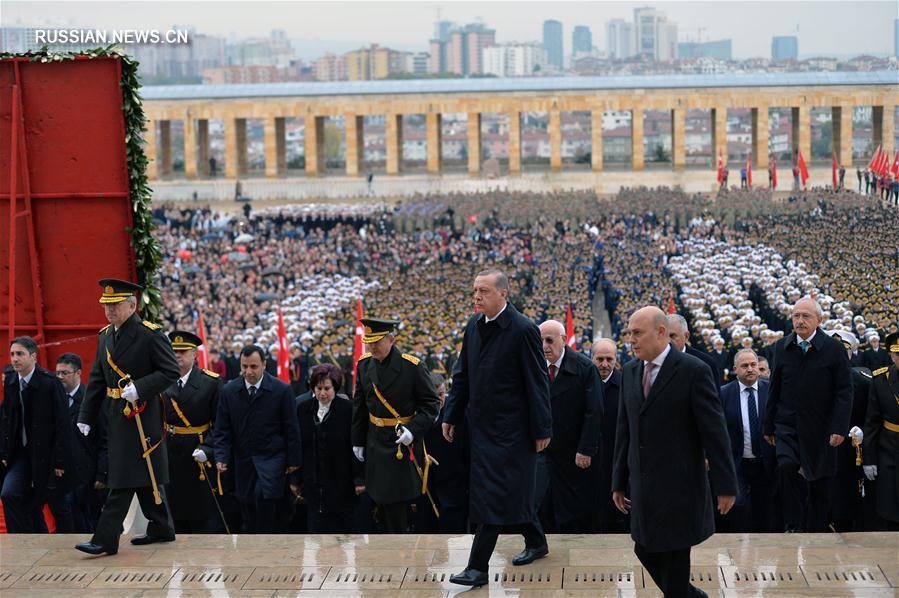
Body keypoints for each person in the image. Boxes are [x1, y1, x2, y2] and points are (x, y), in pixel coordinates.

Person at [612, 307, 736, 598]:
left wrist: (725, 485)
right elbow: (624, 430)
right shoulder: (630, 371)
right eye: (629, 333)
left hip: (681, 488)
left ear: (660, 332)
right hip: (643, 487)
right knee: (644, 549)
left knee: (676, 566)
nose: (631, 339)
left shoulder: (693, 370)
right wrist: (618, 480)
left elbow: (714, 433)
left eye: (637, 333)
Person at [444, 269, 552, 588]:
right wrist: (451, 414)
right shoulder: (474, 326)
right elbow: (461, 374)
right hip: (481, 427)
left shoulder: (523, 329)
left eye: (484, 291)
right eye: (475, 290)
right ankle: (537, 540)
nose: (477, 296)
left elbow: (537, 382)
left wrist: (542, 428)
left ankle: (477, 567)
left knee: (492, 494)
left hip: (512, 429)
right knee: (508, 492)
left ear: (504, 293)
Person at [76, 279, 180, 555]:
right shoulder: (105, 335)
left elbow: (171, 371)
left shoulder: (150, 334)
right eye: (106, 306)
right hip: (116, 413)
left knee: (122, 475)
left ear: (132, 305)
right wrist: (86, 414)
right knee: (143, 471)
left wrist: (140, 389)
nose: (109, 311)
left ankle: (105, 538)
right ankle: (161, 527)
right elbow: (97, 378)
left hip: (141, 414)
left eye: (115, 305)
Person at [763, 297, 852, 532]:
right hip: (787, 426)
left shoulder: (834, 349)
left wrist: (839, 428)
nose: (800, 321)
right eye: (796, 316)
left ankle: (817, 530)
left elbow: (844, 391)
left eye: (806, 316)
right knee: (785, 467)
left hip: (821, 428)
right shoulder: (781, 347)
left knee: (820, 484)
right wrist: (768, 426)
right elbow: (775, 387)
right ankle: (793, 523)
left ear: (819, 320)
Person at [351, 317, 440, 533]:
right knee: (378, 499)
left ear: (392, 339)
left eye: (377, 342)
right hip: (375, 440)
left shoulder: (412, 367)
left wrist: (413, 430)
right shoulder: (364, 364)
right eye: (369, 342)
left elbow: (431, 404)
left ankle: (400, 546)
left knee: (397, 502)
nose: (372, 347)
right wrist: (358, 440)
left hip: (401, 442)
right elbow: (360, 406)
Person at [214, 344, 302, 533]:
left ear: (264, 364)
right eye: (244, 366)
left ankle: (267, 543)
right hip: (243, 460)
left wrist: (294, 461)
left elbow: (291, 428)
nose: (248, 372)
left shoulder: (281, 390)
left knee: (265, 497)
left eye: (253, 367)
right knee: (246, 503)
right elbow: (222, 429)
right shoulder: (229, 391)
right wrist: (221, 456)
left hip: (272, 458)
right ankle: (252, 545)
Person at [537, 320, 602, 533]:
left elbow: (594, 412)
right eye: (541, 341)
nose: (545, 346)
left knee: (573, 508)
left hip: (574, 451)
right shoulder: (534, 366)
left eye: (549, 340)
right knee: (542, 502)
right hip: (543, 449)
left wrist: (585, 449)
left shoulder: (585, 367)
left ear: (564, 340)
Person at [1, 337, 70, 533]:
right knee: (9, 494)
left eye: (20, 354)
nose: (15, 359)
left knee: (51, 505)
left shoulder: (50, 383)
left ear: (33, 356)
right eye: (12, 354)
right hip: (21, 454)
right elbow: (8, 419)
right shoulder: (12, 382)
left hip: (46, 456)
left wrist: (59, 461)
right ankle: (19, 541)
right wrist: (5, 453)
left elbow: (62, 424)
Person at [163, 330, 223, 533]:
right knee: (174, 510)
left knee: (200, 513)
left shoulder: (210, 382)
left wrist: (208, 447)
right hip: (170, 451)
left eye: (183, 351)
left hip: (197, 451)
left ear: (195, 354)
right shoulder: (162, 381)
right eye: (174, 351)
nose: (177, 355)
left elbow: (220, 424)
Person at [292, 364, 360, 533]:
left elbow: (355, 447)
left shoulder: (348, 410)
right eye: (318, 388)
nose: (322, 393)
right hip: (312, 481)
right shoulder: (303, 409)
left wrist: (359, 479)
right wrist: (295, 479)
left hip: (340, 482)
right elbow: (298, 445)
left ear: (335, 387)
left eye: (327, 388)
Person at [719, 349, 775, 533]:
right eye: (744, 366)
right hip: (737, 463)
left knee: (765, 511)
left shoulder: (771, 390)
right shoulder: (724, 394)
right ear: (735, 369)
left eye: (753, 365)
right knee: (739, 507)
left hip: (766, 462)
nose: (750, 369)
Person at [826, 330, 874, 531]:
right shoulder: (815, 379)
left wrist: (862, 430)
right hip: (824, 446)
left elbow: (873, 415)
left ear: (851, 352)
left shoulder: (864, 381)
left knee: (849, 493)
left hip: (853, 447)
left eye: (843, 349)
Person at [56, 353, 108, 533]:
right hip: (63, 473)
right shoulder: (54, 400)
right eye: (58, 374)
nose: (60, 377)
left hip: (88, 473)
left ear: (78, 373)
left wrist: (102, 474)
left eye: (65, 373)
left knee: (90, 519)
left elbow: (104, 438)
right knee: (67, 516)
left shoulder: (92, 400)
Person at [413, 373, 470, 534]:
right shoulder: (415, 416)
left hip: (453, 489)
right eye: (434, 395)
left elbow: (468, 452)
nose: (439, 399)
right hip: (425, 490)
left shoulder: (458, 415)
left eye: (441, 394)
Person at [862, 332, 899, 530]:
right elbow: (872, 422)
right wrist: (869, 458)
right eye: (898, 354)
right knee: (889, 503)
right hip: (889, 447)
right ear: (892, 356)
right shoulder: (880, 379)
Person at [591, 337, 628, 533]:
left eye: (609, 359)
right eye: (600, 359)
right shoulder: (584, 381)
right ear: (592, 358)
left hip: (617, 453)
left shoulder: (625, 385)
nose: (604, 364)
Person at [668, 314, 720, 385]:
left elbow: (714, 395)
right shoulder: (653, 361)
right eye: (664, 336)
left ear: (686, 336)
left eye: (672, 336)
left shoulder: (706, 363)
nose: (668, 341)